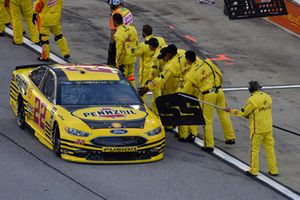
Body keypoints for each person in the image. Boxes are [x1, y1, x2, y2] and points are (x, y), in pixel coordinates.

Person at [180, 51, 235, 151]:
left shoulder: (191, 74)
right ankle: (230, 137)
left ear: (188, 60)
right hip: (219, 90)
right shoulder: (208, 62)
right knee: (224, 115)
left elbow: (183, 91)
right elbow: (219, 73)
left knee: (206, 120)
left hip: (208, 94)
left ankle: (208, 145)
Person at [224, 81, 278, 176]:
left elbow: (242, 113)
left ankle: (254, 171)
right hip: (268, 127)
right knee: (270, 149)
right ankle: (273, 170)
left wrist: (230, 110)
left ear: (250, 90)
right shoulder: (267, 97)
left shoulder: (252, 100)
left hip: (257, 129)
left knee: (255, 150)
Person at [138, 44, 194, 135]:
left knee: (171, 105)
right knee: (175, 105)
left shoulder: (171, 66)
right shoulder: (181, 52)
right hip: (182, 83)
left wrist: (147, 87)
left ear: (170, 54)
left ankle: (183, 133)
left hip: (174, 84)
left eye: (165, 56)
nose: (164, 59)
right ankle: (175, 127)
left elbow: (160, 79)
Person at [113, 13, 138, 87]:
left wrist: (117, 62)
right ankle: (133, 90)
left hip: (124, 60)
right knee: (131, 75)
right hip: (133, 57)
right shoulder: (132, 29)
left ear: (115, 21)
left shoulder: (118, 34)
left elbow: (119, 50)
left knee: (123, 78)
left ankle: (126, 92)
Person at [107, 0, 133, 66]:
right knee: (128, 64)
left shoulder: (114, 14)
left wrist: (111, 45)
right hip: (129, 38)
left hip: (120, 39)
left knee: (115, 63)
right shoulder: (127, 11)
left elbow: (113, 31)